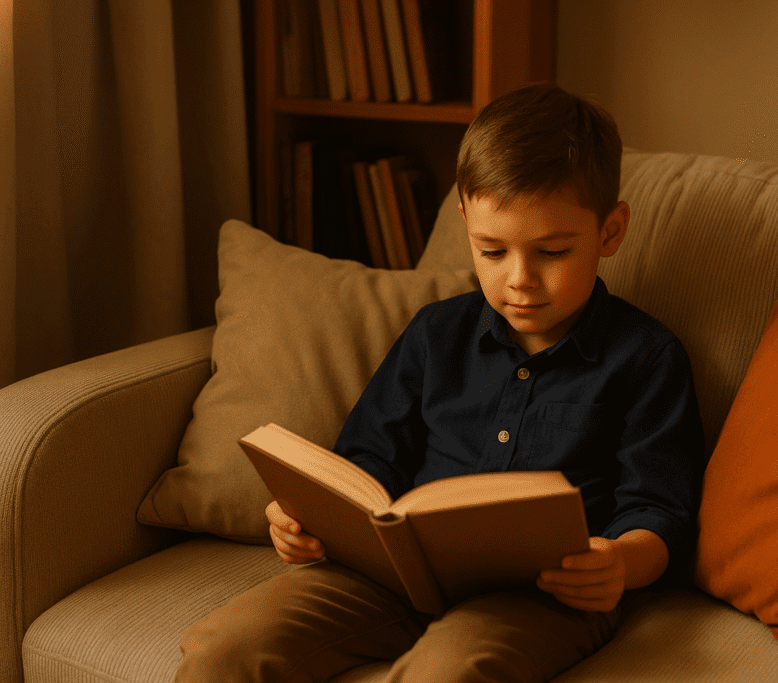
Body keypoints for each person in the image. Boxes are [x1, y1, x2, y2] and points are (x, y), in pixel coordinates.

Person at [176, 83, 705, 683]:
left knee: (444, 674)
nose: (520, 280)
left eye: (553, 252)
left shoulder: (646, 356)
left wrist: (620, 562)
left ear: (610, 232)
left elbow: (660, 508)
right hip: (395, 576)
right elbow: (367, 461)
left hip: (545, 597)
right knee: (225, 648)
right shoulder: (436, 334)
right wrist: (307, 520)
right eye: (493, 250)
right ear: (464, 223)